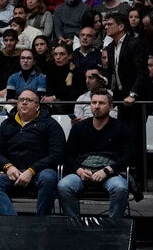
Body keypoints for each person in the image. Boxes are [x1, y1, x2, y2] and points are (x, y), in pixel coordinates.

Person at [0, 89, 66, 216]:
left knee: (49, 177)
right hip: (13, 173)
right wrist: (8, 167)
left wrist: (31, 170)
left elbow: (57, 154)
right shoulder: (7, 124)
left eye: (29, 100)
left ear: (38, 106)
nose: (24, 103)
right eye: (21, 100)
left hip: (39, 173)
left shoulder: (50, 125)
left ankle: (41, 222)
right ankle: (13, 222)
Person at [56, 88, 134, 218]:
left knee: (120, 188)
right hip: (83, 172)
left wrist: (107, 170)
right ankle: (74, 224)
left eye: (101, 103)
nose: (97, 106)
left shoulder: (121, 128)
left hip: (110, 173)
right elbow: (67, 155)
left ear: (111, 106)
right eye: (94, 102)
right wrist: (79, 170)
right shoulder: (79, 128)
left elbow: (129, 156)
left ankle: (113, 226)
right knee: (63, 186)